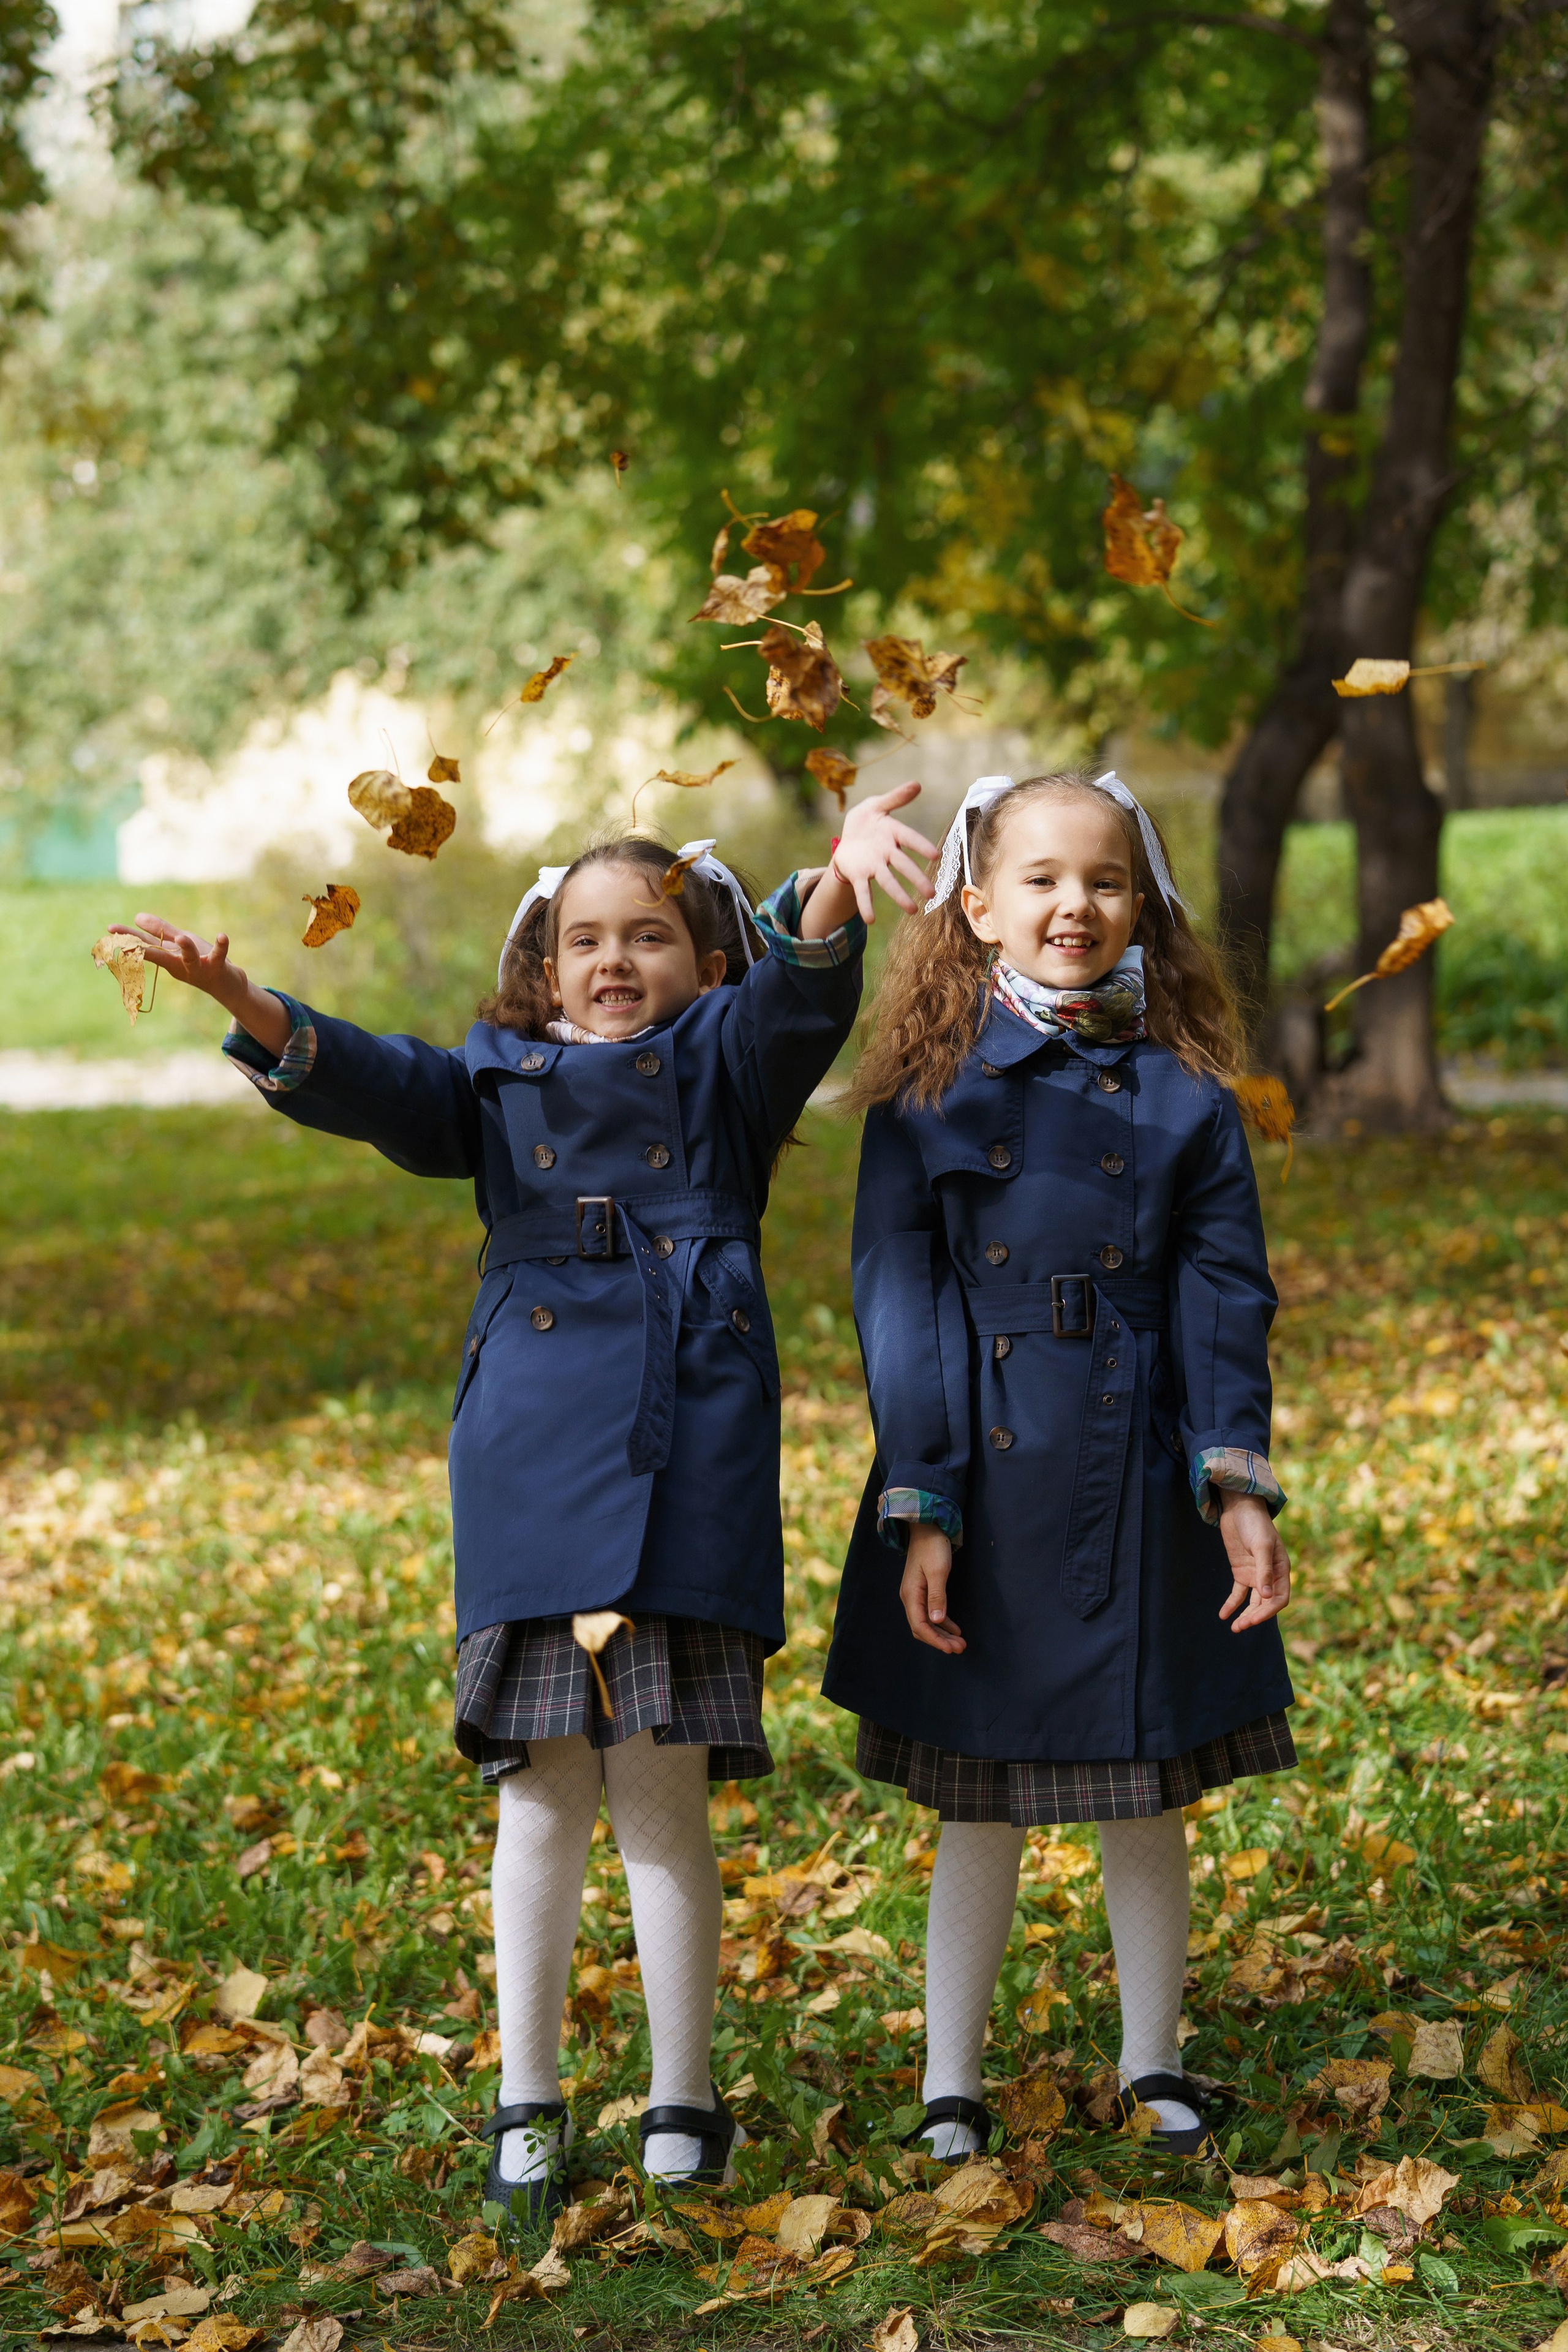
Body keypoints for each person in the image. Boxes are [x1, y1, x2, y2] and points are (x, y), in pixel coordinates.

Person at [114, 786, 936, 2218]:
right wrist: (242, 994)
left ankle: (684, 2097)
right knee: (541, 1797)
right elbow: (369, 1080)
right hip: (530, 1462)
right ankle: (527, 2105)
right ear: (541, 968)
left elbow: (799, 1010)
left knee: (659, 1794)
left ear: (705, 959)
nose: (615, 961)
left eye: (651, 938)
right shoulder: (490, 1086)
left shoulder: (727, 1070)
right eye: (584, 941)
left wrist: (836, 891)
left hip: (689, 1455)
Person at [821, 769, 1294, 2162]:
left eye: (1100, 881)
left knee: (1143, 1784)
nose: (1070, 906)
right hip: (976, 1467)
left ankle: (1154, 2064)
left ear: (1139, 902)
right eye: (1037, 880)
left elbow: (1226, 1298)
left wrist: (1236, 1484)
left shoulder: (1185, 1096)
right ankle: (948, 2082)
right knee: (981, 1788)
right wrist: (923, 1505)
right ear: (975, 907)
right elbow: (895, 1306)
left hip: (1137, 1470)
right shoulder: (922, 1091)